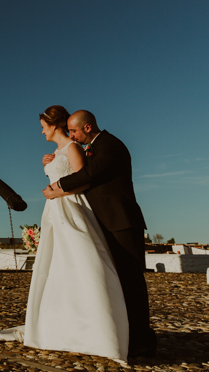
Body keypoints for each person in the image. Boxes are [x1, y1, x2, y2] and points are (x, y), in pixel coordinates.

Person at [0, 105, 129, 361]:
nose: (42, 131)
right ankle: (63, 328)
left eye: (43, 126)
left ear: (54, 125)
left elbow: (84, 180)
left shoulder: (72, 147)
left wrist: (57, 192)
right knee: (57, 269)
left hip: (71, 210)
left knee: (82, 265)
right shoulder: (56, 152)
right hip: (54, 214)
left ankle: (93, 331)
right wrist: (49, 162)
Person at [43, 110, 157, 358]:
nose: (70, 135)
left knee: (132, 280)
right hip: (105, 221)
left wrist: (57, 188)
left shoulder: (111, 145)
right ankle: (124, 334)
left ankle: (143, 340)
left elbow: (89, 175)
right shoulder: (92, 147)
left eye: (73, 130)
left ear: (87, 128)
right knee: (117, 280)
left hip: (121, 221)